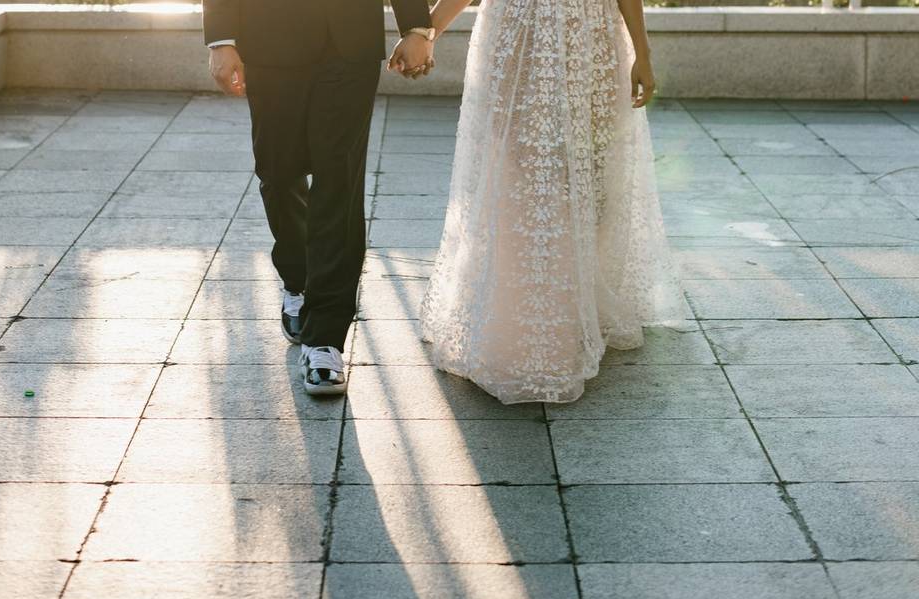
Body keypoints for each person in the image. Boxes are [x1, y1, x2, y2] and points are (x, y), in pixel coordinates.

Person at [410, 0, 687, 404]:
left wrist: (643, 53)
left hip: (590, 34)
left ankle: (576, 305)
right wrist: (424, 33)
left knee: (589, 174)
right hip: (518, 33)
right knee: (517, 167)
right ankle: (517, 317)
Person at [202, 0, 434, 395]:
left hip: (349, 43)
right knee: (278, 173)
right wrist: (221, 38)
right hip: (268, 38)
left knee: (338, 180)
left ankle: (324, 338)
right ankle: (298, 279)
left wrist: (415, 27)